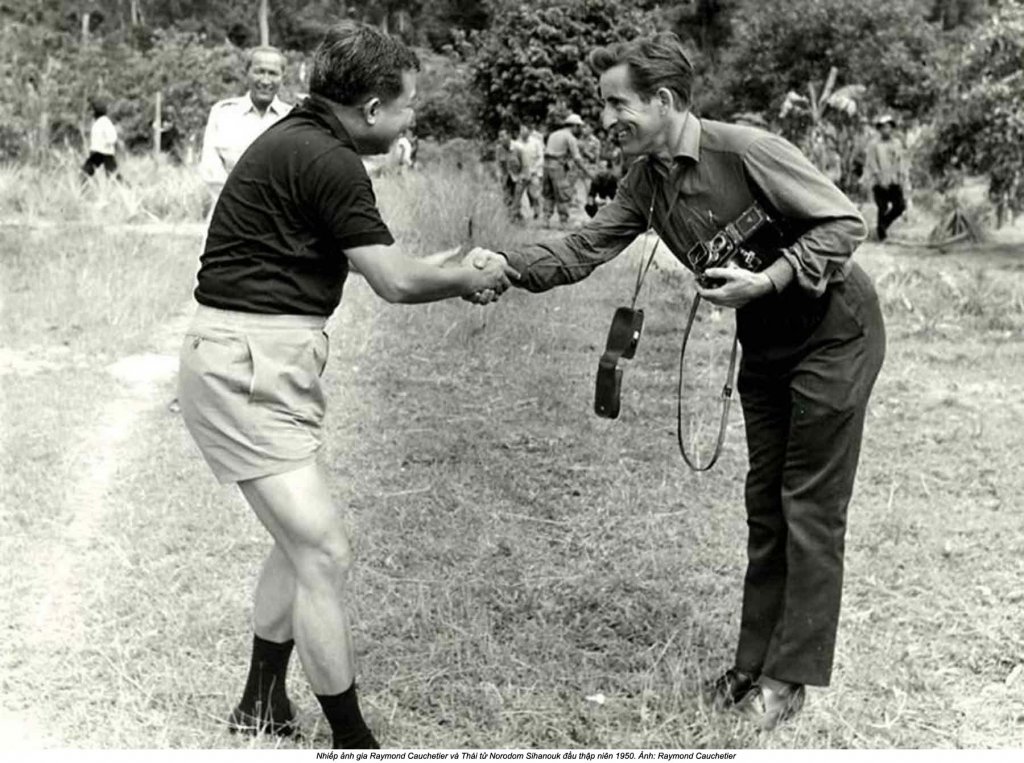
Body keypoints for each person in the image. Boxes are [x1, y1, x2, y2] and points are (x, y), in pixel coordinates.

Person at [467, 32, 885, 731]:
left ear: (663, 100)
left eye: (617, 104)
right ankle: (753, 663)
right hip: (769, 342)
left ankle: (789, 680)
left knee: (808, 505)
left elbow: (846, 221)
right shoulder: (646, 182)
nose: (606, 121)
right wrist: (500, 268)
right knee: (765, 505)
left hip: (834, 331)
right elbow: (583, 248)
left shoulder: (743, 149)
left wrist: (770, 278)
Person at [176, 22, 515, 749]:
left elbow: (383, 258)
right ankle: (354, 741)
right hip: (249, 366)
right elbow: (392, 280)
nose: (412, 118)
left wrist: (451, 266)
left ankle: (260, 704)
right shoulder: (328, 159)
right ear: (368, 107)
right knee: (324, 551)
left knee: (297, 540)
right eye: (408, 106)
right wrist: (466, 276)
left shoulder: (304, 140)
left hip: (259, 359)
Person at [198, 46, 293, 214]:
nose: (265, 81)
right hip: (228, 216)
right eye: (259, 71)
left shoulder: (292, 119)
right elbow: (211, 169)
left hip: (277, 221)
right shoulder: (223, 114)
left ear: (282, 77)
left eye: (272, 73)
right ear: (246, 73)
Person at [863, 114, 909, 241]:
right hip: (879, 182)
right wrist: (879, 177)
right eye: (883, 127)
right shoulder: (874, 145)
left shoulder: (897, 143)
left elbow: (900, 161)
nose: (886, 130)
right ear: (880, 129)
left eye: (888, 127)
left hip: (894, 180)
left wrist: (902, 177)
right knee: (882, 208)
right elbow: (871, 162)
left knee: (900, 206)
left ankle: (883, 226)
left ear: (892, 128)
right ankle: (881, 234)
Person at [541, 113, 590, 228]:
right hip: (557, 167)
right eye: (579, 127)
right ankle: (563, 221)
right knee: (562, 194)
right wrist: (587, 172)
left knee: (549, 194)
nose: (580, 130)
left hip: (546, 166)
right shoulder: (570, 137)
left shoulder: (554, 134)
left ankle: (546, 220)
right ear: (574, 126)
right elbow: (577, 158)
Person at [81, 96, 120, 181]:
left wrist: (106, 143)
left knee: (113, 176)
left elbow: (113, 137)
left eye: (92, 111)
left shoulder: (105, 122)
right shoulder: (99, 122)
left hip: (104, 152)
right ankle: (81, 189)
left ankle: (128, 190)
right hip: (98, 152)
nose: (91, 113)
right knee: (86, 172)